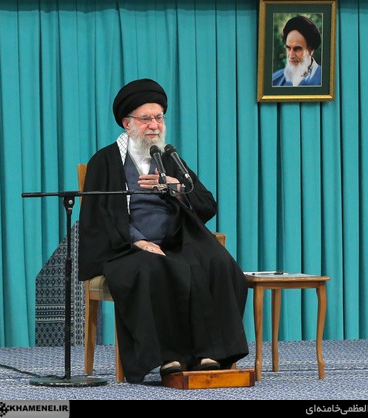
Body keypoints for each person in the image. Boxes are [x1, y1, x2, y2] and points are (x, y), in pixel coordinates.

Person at [78, 78, 249, 384]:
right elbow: (97, 216)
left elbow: (207, 205)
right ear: (128, 123)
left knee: (218, 263)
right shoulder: (105, 161)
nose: (154, 125)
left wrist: (177, 186)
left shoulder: (169, 158)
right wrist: (137, 240)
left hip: (177, 239)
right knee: (156, 268)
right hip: (127, 247)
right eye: (146, 119)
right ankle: (170, 357)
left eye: (159, 118)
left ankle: (213, 353)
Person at [272, 15, 322, 87]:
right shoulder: (274, 80)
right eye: (288, 48)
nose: (291, 55)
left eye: (297, 49)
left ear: (311, 50)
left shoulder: (326, 80)